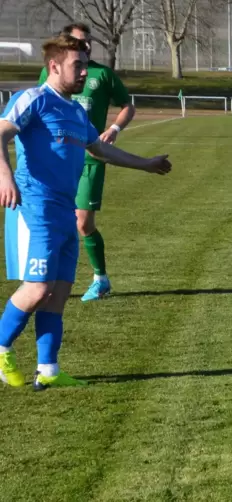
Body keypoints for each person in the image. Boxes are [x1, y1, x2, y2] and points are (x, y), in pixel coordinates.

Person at [0, 35, 171, 390]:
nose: (83, 73)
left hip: (65, 210)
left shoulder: (77, 111)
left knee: (59, 293)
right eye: (77, 65)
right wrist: (5, 178)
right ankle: (1, 347)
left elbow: (100, 151)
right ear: (54, 66)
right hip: (36, 207)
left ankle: (48, 370)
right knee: (37, 289)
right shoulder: (32, 99)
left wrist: (147, 164)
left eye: (85, 65)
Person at [38, 23, 135, 302]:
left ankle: (100, 278)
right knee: (53, 220)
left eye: (89, 41)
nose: (87, 45)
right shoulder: (51, 71)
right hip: (58, 157)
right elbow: (40, 105)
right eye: (80, 40)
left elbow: (127, 105)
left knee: (82, 223)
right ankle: (47, 280)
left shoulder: (102, 74)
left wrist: (114, 129)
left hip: (91, 157)